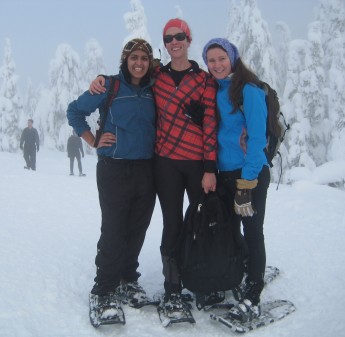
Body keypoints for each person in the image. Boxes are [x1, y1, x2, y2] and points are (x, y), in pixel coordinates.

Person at [90, 18, 218, 321]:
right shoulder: (156, 75)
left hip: (197, 163)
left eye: (180, 37)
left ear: (188, 40)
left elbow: (211, 122)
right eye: (169, 38)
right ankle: (173, 290)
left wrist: (210, 166)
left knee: (204, 222)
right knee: (172, 224)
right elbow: (128, 74)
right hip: (164, 163)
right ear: (166, 43)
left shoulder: (203, 80)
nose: (175, 42)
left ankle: (207, 279)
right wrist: (100, 78)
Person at [66, 38, 157, 322]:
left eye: (144, 58)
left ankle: (128, 278)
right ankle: (104, 290)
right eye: (134, 58)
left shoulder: (155, 87)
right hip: (114, 168)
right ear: (125, 60)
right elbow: (74, 111)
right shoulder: (109, 86)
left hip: (147, 168)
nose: (139, 63)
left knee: (137, 229)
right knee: (115, 230)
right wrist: (92, 139)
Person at [202, 38, 270, 322]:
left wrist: (246, 183)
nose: (216, 65)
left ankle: (253, 293)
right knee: (230, 230)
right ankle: (236, 274)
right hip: (224, 174)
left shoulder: (249, 91)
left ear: (232, 59)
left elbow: (256, 141)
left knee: (252, 230)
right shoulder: (214, 90)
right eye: (211, 60)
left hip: (248, 174)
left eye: (221, 58)